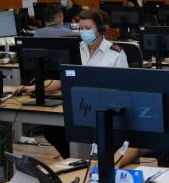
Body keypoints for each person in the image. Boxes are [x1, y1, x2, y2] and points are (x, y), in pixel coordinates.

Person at [43, 9, 128, 158]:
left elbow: (124, 88)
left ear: (100, 29)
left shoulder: (115, 53)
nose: (84, 32)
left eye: (88, 28)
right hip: (78, 103)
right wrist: (32, 88)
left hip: (105, 106)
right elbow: (64, 78)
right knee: (49, 127)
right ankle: (70, 157)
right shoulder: (75, 50)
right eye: (81, 28)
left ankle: (94, 158)